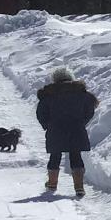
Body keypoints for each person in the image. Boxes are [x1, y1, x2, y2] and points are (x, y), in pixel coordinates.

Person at [35, 67, 99, 197]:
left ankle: (52, 183)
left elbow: (41, 113)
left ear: (55, 80)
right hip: (76, 128)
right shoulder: (81, 93)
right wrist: (82, 122)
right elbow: (90, 108)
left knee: (55, 156)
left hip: (56, 130)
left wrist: (47, 125)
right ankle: (79, 187)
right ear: (71, 78)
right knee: (76, 156)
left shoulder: (49, 94)